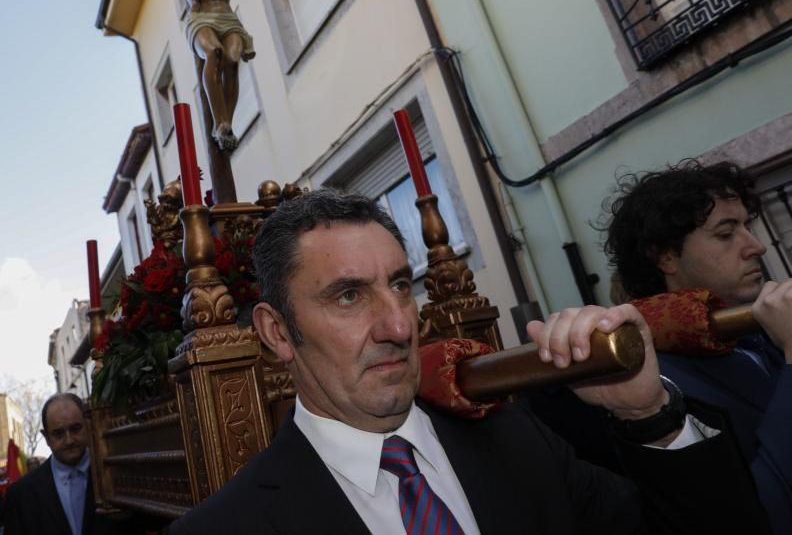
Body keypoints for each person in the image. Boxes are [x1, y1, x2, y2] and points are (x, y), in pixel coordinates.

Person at [170, 188, 768, 534]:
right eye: (349, 296)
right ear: (278, 332)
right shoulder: (226, 528)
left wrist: (651, 418)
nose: (400, 325)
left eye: (402, 286)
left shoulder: (520, 441)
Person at [604, 159, 792, 531]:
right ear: (666, 257)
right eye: (726, 233)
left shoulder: (759, 334)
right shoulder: (652, 382)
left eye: (748, 226)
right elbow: (765, 512)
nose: (755, 246)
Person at [70, 0, 292, 152]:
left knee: (232, 59)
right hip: (201, 17)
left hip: (227, 17)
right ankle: (220, 124)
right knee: (214, 53)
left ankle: (227, 121)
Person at [3, 394, 108, 535]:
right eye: (58, 434)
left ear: (88, 425)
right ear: (46, 437)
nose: (69, 440)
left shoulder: (114, 476)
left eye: (75, 429)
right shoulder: (21, 494)